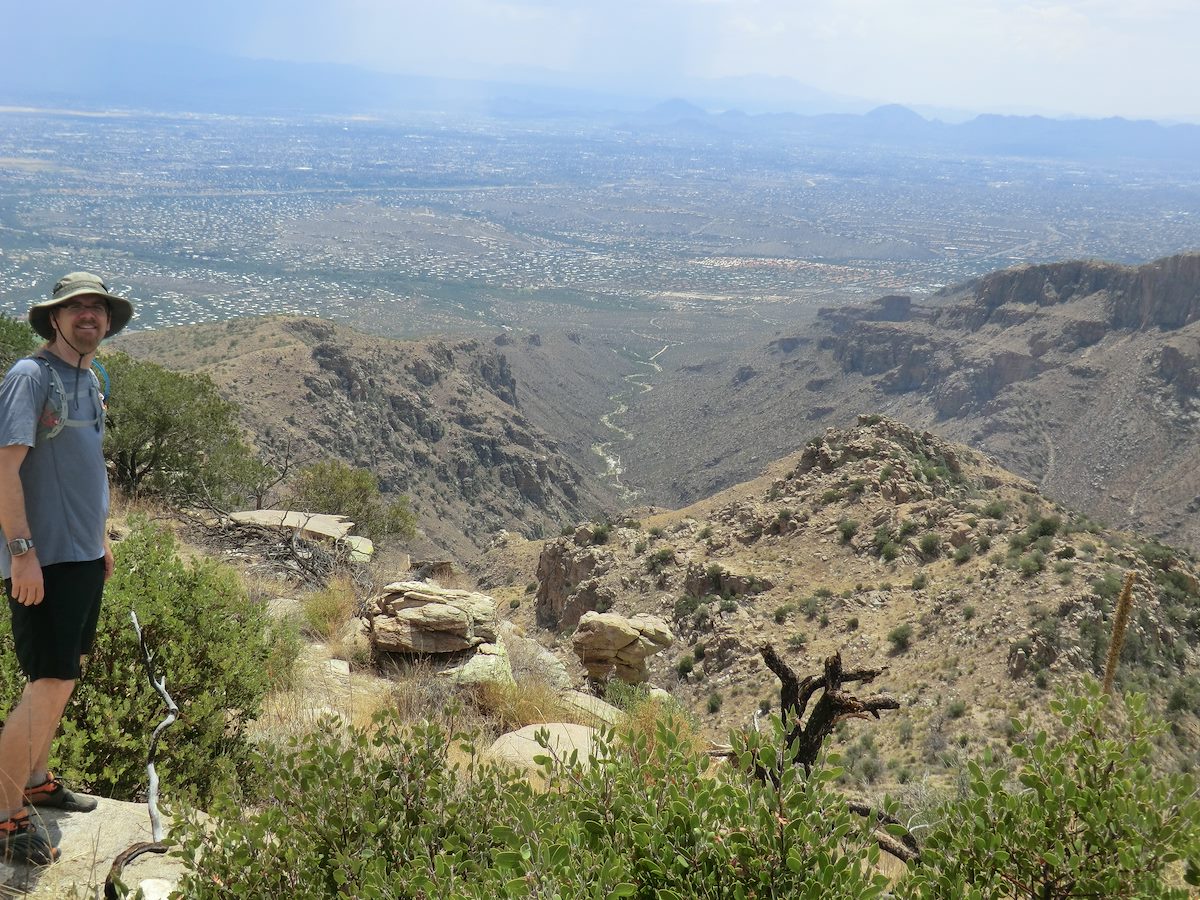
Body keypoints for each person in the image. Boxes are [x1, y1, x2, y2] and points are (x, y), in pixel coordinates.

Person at [0, 272, 133, 864]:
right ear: (53, 318)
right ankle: (4, 813)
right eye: (75, 307)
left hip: (80, 555)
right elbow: (4, 470)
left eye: (97, 308)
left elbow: (84, 467)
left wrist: (99, 538)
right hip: (42, 560)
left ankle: (35, 780)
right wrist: (21, 553)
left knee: (65, 674)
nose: (88, 315)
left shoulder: (89, 376)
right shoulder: (30, 377)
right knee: (48, 679)